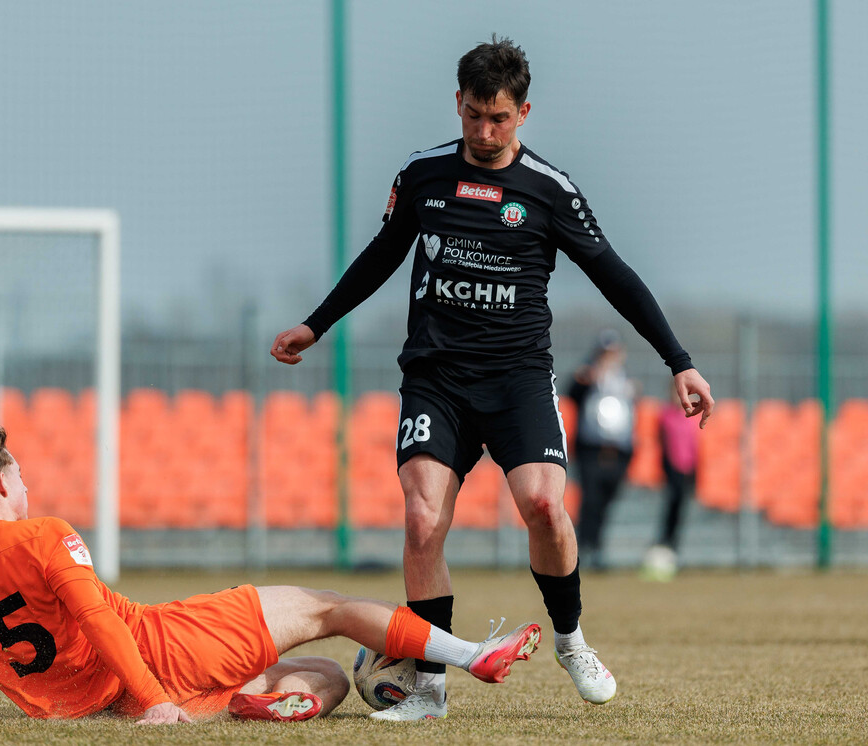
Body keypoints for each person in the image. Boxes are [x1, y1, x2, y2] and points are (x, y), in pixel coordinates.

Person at [270, 34, 714, 717]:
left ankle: (570, 639)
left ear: (524, 112)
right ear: (458, 103)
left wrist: (678, 360)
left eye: (498, 117)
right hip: (436, 379)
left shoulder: (550, 191)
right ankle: (431, 683)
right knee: (423, 519)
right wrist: (317, 323)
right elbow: (381, 254)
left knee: (543, 507)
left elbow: (616, 277)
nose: (484, 129)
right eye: (474, 113)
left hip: (517, 381)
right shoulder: (422, 176)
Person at [0, 424, 542, 724]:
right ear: (3, 482)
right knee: (329, 607)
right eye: (23, 474)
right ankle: (474, 657)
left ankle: (267, 702)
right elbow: (105, 620)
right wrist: (152, 703)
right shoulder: (41, 534)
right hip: (159, 654)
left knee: (319, 673)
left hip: (100, 701)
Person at [566, 330, 638, 571]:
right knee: (591, 499)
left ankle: (596, 545)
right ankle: (585, 548)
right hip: (591, 448)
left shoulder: (625, 380)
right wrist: (584, 380)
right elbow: (571, 394)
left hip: (618, 450)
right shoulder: (588, 377)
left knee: (607, 499)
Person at [642, 385, 701, 581]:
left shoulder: (691, 418)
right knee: (670, 510)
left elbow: (694, 446)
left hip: (688, 470)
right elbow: (662, 444)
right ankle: (663, 547)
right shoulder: (665, 416)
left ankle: (672, 549)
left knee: (679, 512)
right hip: (671, 470)